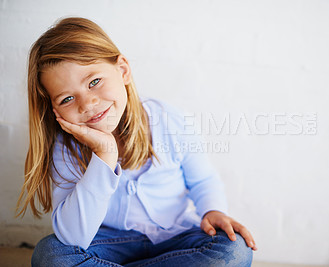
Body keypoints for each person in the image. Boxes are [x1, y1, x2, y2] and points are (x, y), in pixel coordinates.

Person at [16, 17, 257, 266]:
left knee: (235, 249)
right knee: (50, 255)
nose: (87, 104)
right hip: (107, 244)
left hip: (176, 236)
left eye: (94, 82)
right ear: (53, 109)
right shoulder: (64, 148)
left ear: (123, 71)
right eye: (67, 99)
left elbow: (203, 180)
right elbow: (73, 236)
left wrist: (213, 210)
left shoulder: (168, 120)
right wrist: (104, 155)